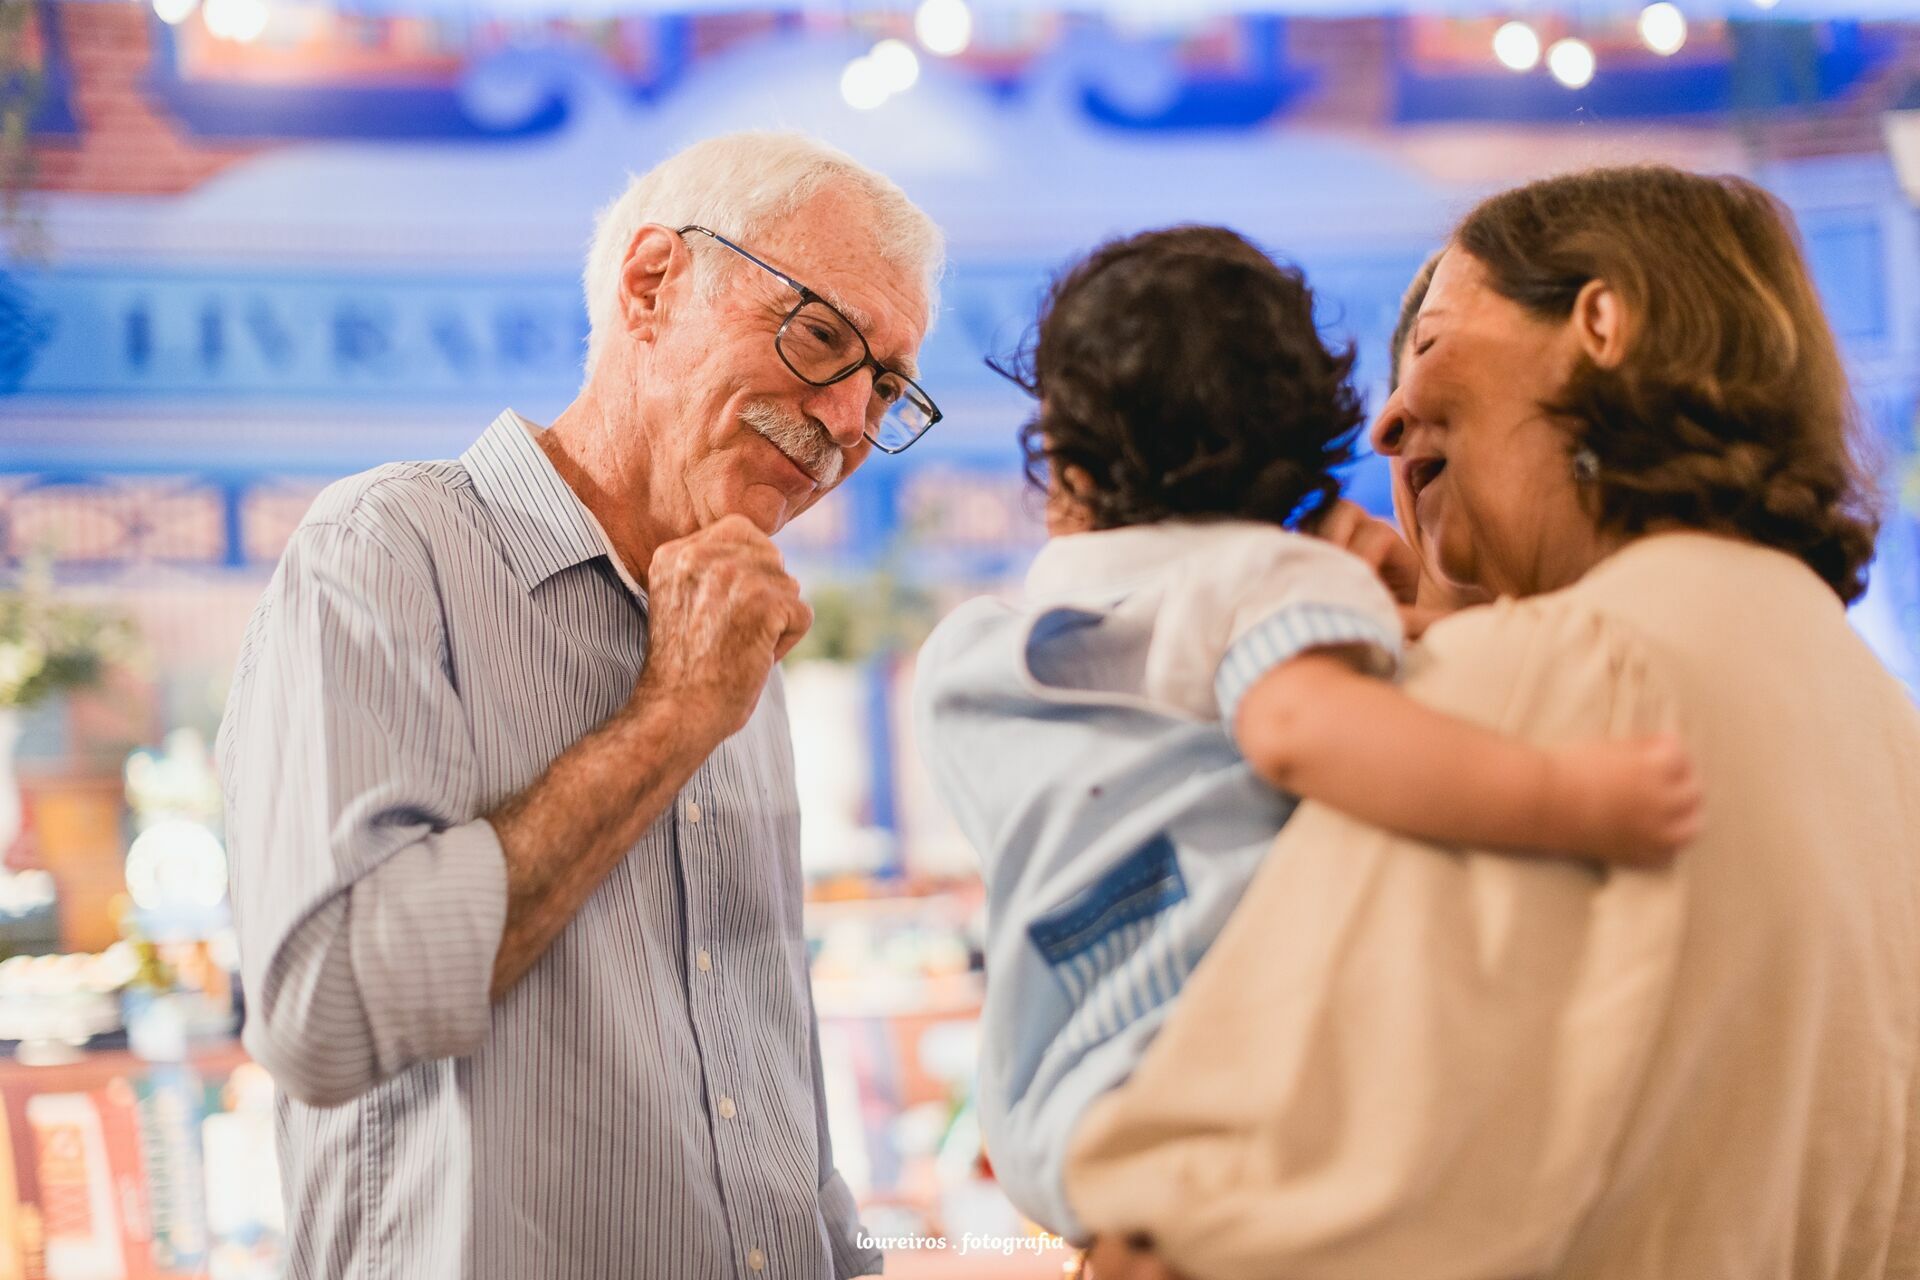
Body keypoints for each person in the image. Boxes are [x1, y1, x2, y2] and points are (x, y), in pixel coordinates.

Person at [1071, 166, 1920, 1279]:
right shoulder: (1878, 723)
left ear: (1600, 323)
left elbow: (1202, 1224)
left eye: (1427, 343)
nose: (1386, 420)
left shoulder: (1553, 679)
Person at [216, 132, 944, 1280]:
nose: (851, 420)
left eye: (890, 386)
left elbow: (769, 1094)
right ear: (652, 283)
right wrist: (672, 715)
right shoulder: (391, 551)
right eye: (820, 338)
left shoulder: (738, 647)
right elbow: (325, 1014)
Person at [911, 225, 1700, 1240]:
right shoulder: (1270, 580)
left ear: (1060, 461)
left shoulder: (977, 659)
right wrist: (1568, 797)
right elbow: (1296, 727)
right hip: (1207, 1076)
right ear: (1307, 456)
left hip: (1047, 1097)